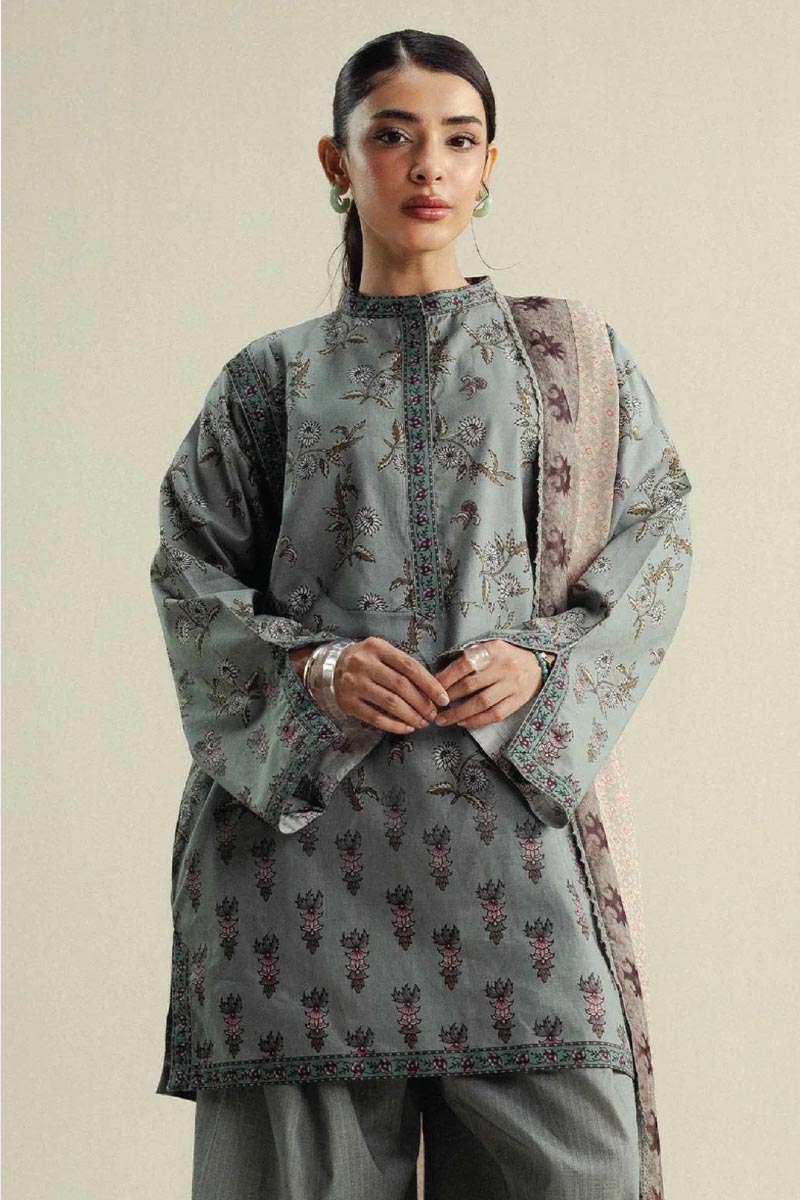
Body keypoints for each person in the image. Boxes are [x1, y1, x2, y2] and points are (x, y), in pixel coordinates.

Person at [150, 29, 692, 1200]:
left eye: (456, 139)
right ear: (336, 161)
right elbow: (191, 580)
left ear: (489, 163)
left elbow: (655, 538)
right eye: (391, 136)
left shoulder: (570, 359)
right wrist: (317, 668)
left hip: (516, 851)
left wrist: (543, 658)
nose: (426, 165)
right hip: (298, 878)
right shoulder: (269, 381)